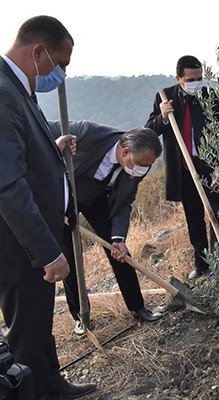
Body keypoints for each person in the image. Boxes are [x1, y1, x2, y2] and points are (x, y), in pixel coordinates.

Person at [0, 15, 96, 399]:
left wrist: (51, 149)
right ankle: (32, 392)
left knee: (39, 323)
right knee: (25, 335)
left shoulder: (15, 87)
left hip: (35, 239)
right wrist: (47, 251)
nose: (60, 74)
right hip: (18, 248)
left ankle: (51, 384)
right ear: (39, 52)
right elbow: (6, 185)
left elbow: (19, 154)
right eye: (60, 65)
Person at [50, 121, 164, 335]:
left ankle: (137, 306)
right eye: (140, 163)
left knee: (119, 252)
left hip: (97, 198)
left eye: (147, 166)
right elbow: (40, 131)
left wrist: (118, 237)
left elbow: (123, 202)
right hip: (64, 196)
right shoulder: (85, 132)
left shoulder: (139, 165)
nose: (143, 170)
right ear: (126, 151)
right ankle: (80, 317)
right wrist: (56, 146)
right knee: (71, 256)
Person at [146, 55, 219, 279]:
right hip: (183, 168)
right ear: (179, 78)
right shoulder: (165, 97)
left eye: (200, 78)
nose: (197, 83)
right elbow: (150, 130)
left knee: (217, 214)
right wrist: (163, 117)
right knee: (194, 217)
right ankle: (202, 264)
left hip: (210, 167)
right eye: (191, 79)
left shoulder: (210, 96)